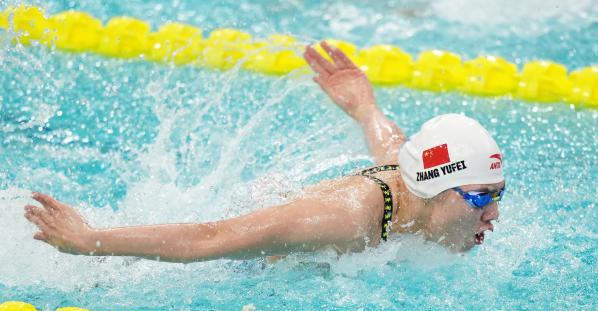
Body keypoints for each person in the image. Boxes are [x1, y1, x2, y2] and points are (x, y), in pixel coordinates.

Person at [23, 42, 505, 263]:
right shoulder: (348, 218)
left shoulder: (412, 179)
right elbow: (211, 239)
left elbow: (393, 143)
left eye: (498, 194)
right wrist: (93, 242)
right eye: (482, 198)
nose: (495, 214)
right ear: (437, 188)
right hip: (230, 251)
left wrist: (365, 106)